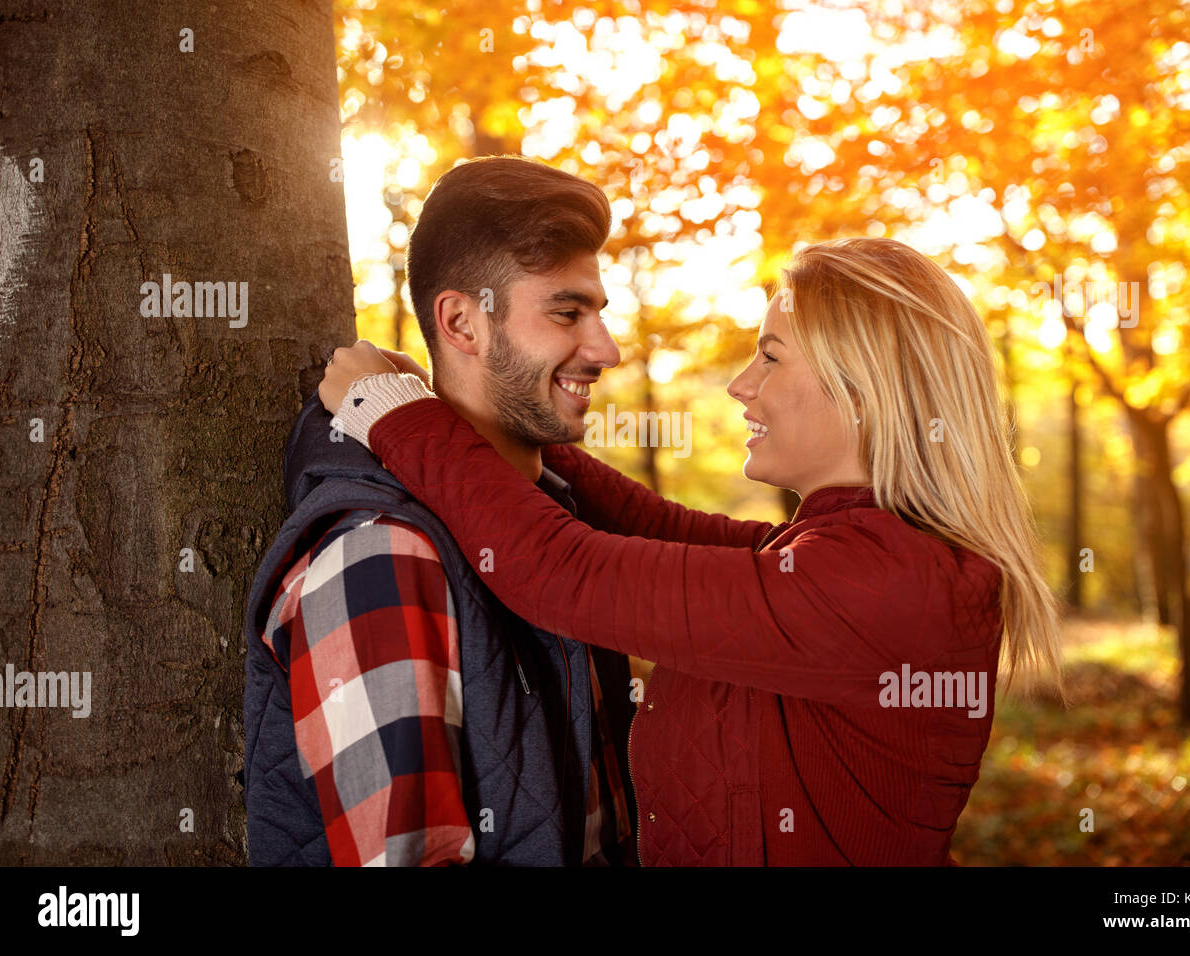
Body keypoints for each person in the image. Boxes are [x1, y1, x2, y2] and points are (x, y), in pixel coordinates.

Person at [319, 236, 1065, 866]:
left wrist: (395, 418)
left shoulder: (885, 582)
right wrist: (501, 420)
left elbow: (565, 572)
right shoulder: (839, 549)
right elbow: (659, 529)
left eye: (770, 358)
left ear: (864, 392)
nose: (743, 385)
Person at [242, 155, 639, 866]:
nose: (605, 349)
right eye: (566, 312)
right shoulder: (383, 558)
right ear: (461, 322)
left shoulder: (555, 523)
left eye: (599, 314)